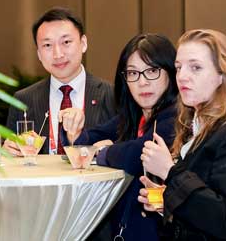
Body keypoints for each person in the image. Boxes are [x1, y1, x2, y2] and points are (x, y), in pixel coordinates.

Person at [136, 29, 226, 240]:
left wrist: (169, 171)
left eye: (196, 67)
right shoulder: (194, 126)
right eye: (178, 67)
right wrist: (167, 200)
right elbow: (203, 208)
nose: (182, 76)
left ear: (222, 75)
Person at [63, 33, 180, 241]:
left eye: (152, 71)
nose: (142, 82)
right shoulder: (133, 116)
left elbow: (137, 154)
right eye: (133, 73)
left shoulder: (176, 117)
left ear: (170, 73)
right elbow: (84, 141)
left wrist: (103, 151)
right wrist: (74, 127)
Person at [4, 8, 116, 156]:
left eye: (66, 42)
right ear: (38, 54)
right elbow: (10, 154)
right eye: (47, 45)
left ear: (83, 43)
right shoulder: (23, 100)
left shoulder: (112, 95)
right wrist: (8, 151)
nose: (58, 54)